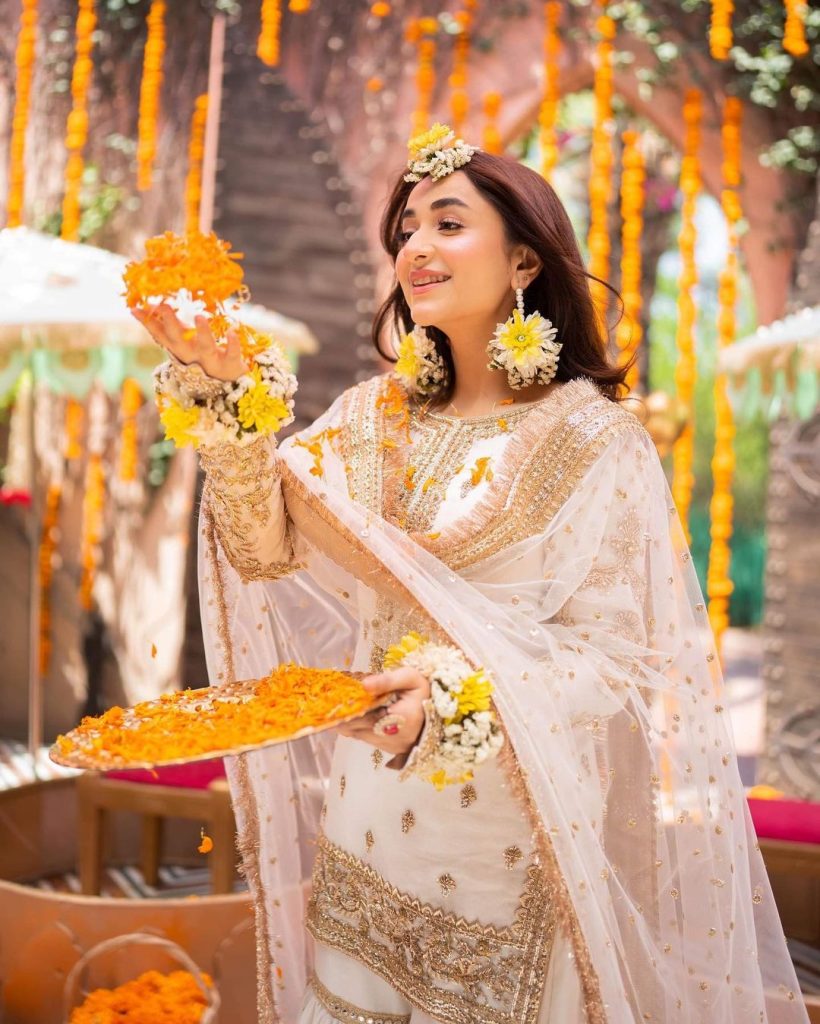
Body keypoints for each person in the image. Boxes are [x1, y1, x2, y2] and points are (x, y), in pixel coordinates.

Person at [134, 125, 807, 1024]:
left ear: (525, 258)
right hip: (366, 826)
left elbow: (621, 663)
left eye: (448, 224)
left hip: (514, 847)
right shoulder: (368, 418)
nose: (415, 246)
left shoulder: (591, 439)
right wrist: (225, 411)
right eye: (407, 228)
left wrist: (453, 695)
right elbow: (263, 550)